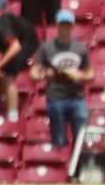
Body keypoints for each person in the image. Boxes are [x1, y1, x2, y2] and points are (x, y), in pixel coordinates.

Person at [34, 10, 92, 150]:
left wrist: (73, 75)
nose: (65, 29)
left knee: (81, 138)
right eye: (62, 25)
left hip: (77, 97)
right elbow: (34, 73)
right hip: (56, 97)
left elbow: (90, 75)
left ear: (72, 27)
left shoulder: (80, 48)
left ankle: (77, 168)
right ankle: (61, 168)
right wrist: (45, 74)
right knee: (58, 138)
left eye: (67, 25)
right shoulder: (46, 48)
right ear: (57, 26)